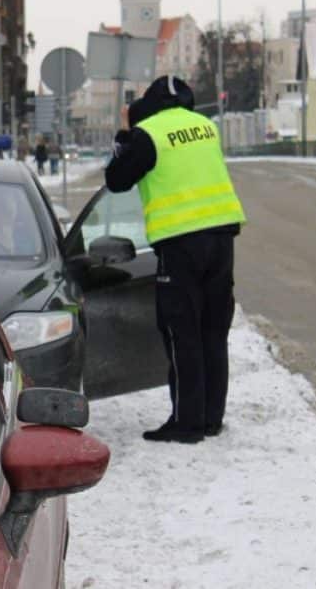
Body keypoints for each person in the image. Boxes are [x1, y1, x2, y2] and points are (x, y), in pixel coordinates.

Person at [105, 75, 246, 444]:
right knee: (213, 331)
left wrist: (125, 134)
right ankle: (211, 418)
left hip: (181, 243)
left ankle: (187, 423)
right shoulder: (205, 127)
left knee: (181, 332)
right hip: (221, 238)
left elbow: (117, 179)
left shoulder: (148, 133)